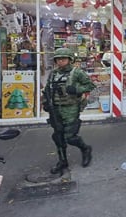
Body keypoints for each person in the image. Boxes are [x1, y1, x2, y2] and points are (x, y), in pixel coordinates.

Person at [42, 48, 96, 176]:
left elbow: (90, 85)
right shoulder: (53, 74)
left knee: (70, 137)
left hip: (70, 108)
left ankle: (85, 149)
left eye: (64, 58)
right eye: (58, 59)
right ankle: (62, 161)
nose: (61, 61)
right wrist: (46, 103)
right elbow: (47, 90)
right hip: (55, 109)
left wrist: (76, 89)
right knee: (58, 136)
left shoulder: (76, 73)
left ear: (70, 59)